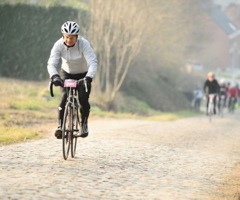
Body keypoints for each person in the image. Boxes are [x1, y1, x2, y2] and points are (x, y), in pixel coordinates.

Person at [47, 21, 97, 139]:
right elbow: (51, 63)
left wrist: (89, 77)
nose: (69, 39)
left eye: (72, 37)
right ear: (63, 36)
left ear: (77, 36)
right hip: (66, 73)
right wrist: (54, 76)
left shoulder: (84, 44)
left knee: (83, 99)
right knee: (64, 96)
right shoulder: (58, 45)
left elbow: (93, 62)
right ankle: (60, 126)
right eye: (67, 37)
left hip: (83, 75)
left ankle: (83, 124)